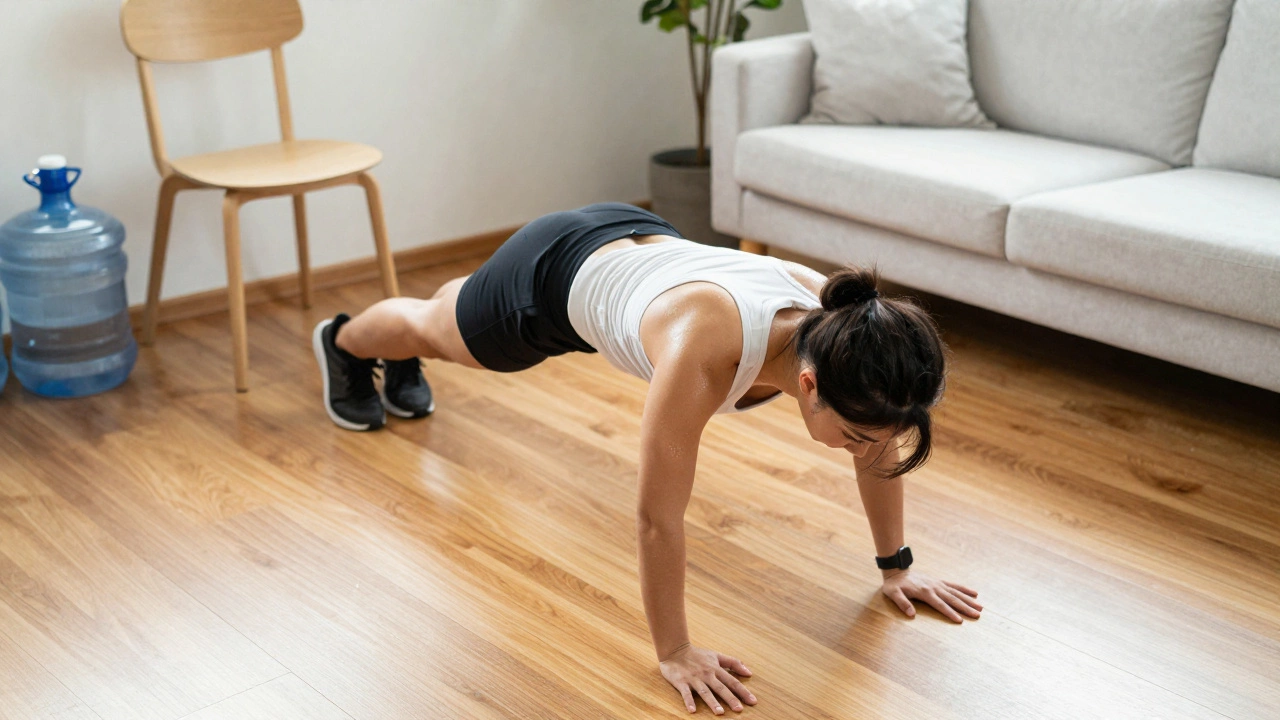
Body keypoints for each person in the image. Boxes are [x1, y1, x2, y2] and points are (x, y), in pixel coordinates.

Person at [312, 202, 981, 715]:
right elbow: (657, 518)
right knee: (436, 330)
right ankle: (344, 342)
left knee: (451, 312)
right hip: (549, 281)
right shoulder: (703, 351)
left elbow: (881, 447)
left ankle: (438, 323)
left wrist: (897, 569)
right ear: (808, 385)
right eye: (858, 436)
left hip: (627, 239)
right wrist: (676, 653)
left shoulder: (843, 330)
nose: (865, 449)